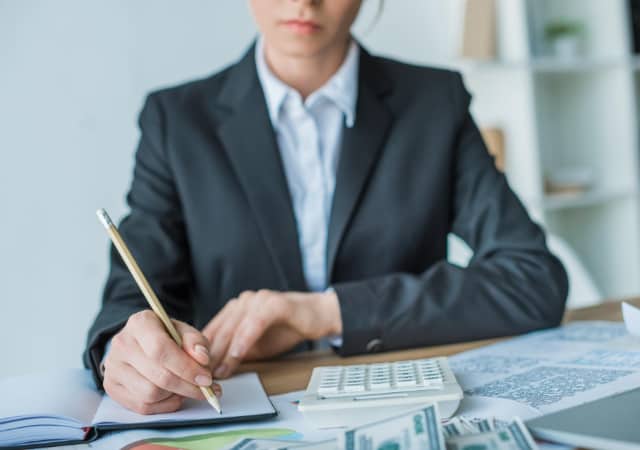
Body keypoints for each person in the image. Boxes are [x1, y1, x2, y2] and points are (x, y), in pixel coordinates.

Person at [85, 0, 568, 414]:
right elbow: (132, 293)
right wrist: (119, 351)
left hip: (400, 405)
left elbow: (532, 279)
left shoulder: (434, 103)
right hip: (238, 409)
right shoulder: (176, 121)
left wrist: (326, 312)